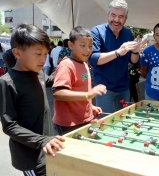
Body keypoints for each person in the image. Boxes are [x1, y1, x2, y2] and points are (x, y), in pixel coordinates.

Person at [0, 24, 65, 176]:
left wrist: (64, 65)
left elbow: (49, 80)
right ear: (17, 53)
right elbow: (9, 126)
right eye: (38, 54)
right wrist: (41, 140)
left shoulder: (38, 73)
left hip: (48, 147)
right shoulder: (7, 82)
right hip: (31, 158)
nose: (43, 59)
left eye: (46, 53)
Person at [88, 0, 146, 114]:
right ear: (107, 15)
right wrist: (118, 52)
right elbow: (93, 59)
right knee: (104, 122)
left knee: (125, 120)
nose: (116, 20)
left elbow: (134, 61)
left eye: (121, 16)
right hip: (104, 89)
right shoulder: (97, 31)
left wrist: (135, 51)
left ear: (125, 19)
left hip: (123, 87)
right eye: (113, 15)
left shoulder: (128, 34)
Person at [52, 26, 107, 135]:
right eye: (82, 46)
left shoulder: (84, 63)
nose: (87, 50)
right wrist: (88, 95)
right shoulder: (67, 65)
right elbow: (58, 93)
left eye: (90, 46)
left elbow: (79, 90)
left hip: (84, 119)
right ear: (71, 45)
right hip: (69, 124)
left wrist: (90, 106)